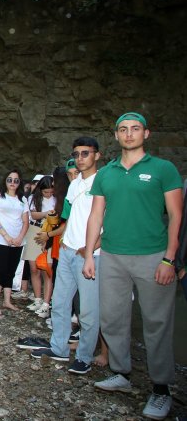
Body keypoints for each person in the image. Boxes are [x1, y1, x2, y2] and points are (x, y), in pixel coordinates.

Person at [84, 112, 182, 420]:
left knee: (157, 323)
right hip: (112, 255)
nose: (129, 134)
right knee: (112, 317)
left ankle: (161, 389)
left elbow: (177, 217)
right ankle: (122, 373)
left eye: (135, 129)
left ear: (146, 134)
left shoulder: (163, 169)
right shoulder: (107, 173)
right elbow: (96, 216)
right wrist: (89, 255)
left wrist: (170, 258)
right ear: (116, 136)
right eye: (123, 129)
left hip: (153, 255)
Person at [30, 136, 102, 375]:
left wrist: (90, 249)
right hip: (69, 250)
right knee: (59, 304)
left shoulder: (103, 183)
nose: (80, 158)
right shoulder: (75, 185)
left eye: (85, 153)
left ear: (97, 155)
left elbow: (110, 221)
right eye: (76, 154)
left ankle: (84, 357)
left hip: (89, 254)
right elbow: (70, 220)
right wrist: (56, 239)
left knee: (88, 311)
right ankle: (59, 347)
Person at [0, 169, 29, 316]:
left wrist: (19, 238)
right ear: (5, 181)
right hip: (0, 239)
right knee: (0, 270)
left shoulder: (22, 200)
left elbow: (26, 221)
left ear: (20, 183)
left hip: (17, 240)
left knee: (11, 271)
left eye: (16, 180)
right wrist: (5, 235)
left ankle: (7, 301)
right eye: (10, 179)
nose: (12, 183)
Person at [23, 176, 56, 318]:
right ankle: (37, 298)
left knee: (47, 269)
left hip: (49, 232)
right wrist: (46, 214)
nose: (48, 194)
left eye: (50, 192)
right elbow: (33, 214)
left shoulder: (57, 199)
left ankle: (46, 304)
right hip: (34, 231)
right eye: (45, 192)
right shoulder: (33, 198)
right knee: (34, 267)